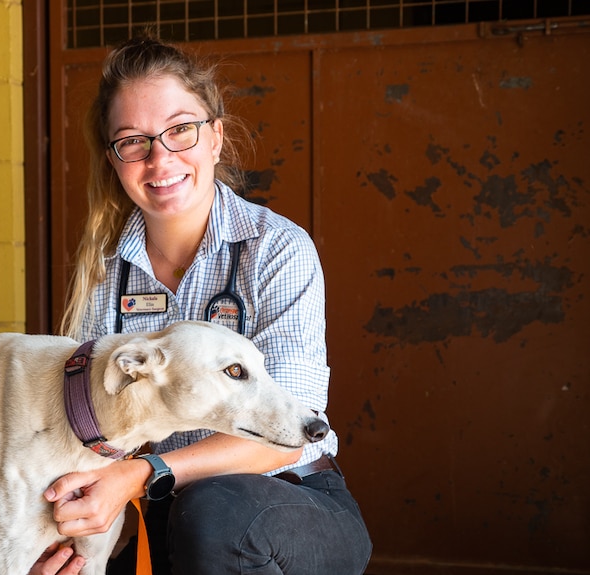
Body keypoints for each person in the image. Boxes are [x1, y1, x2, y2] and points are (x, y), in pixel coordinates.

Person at [37, 32, 372, 575]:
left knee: (212, 512)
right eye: (133, 140)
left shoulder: (276, 249)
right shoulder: (102, 272)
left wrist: (145, 473)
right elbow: (86, 434)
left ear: (215, 136)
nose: (159, 157)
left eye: (180, 130)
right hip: (161, 520)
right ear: (115, 160)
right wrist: (57, 543)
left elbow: (290, 438)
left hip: (288, 504)